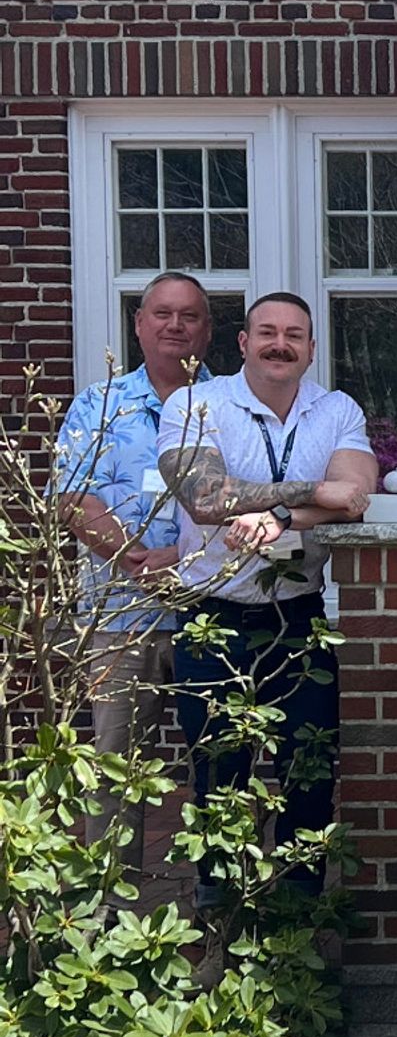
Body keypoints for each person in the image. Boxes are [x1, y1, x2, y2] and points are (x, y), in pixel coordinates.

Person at [157, 291, 376, 907]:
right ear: (243, 343)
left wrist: (278, 513)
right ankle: (221, 920)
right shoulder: (195, 403)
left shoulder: (336, 409)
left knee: (308, 774)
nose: (281, 343)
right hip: (211, 619)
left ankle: (296, 917)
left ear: (310, 348)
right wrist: (314, 495)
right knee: (218, 776)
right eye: (267, 332)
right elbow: (205, 497)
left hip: (299, 620)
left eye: (294, 335)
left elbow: (355, 497)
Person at [56, 270, 213, 875]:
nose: (176, 326)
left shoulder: (223, 402)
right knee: (117, 765)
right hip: (122, 615)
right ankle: (109, 916)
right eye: (163, 314)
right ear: (140, 324)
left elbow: (243, 499)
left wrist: (177, 558)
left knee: (221, 759)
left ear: (208, 329)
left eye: (190, 316)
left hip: (210, 608)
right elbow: (74, 498)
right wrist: (134, 561)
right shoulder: (99, 404)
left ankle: (219, 907)